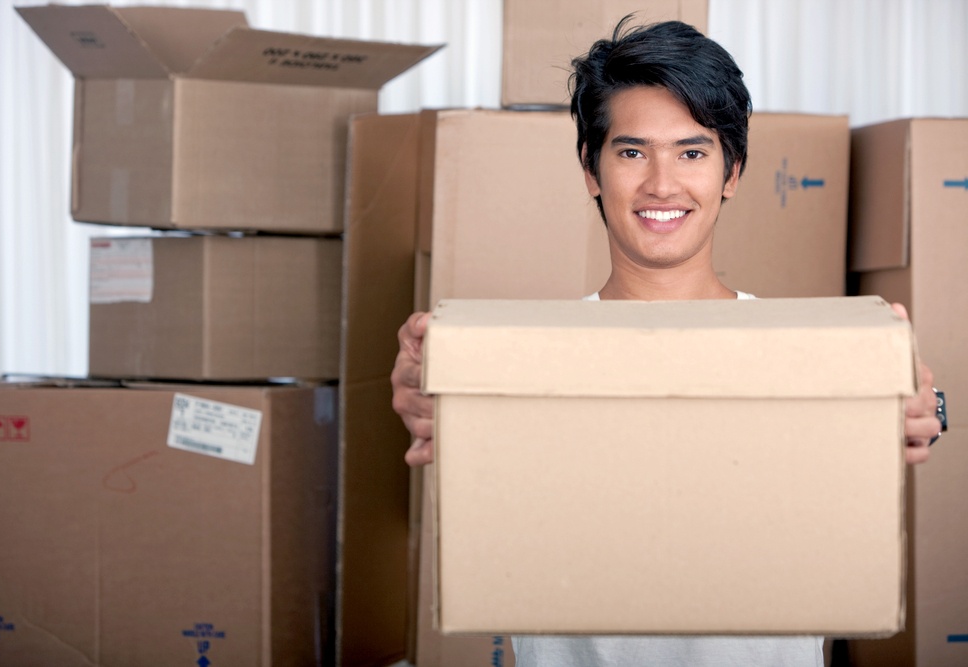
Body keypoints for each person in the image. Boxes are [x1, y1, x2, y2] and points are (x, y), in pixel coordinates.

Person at [391, 16, 941, 667]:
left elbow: (917, 414)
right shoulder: (528, 359)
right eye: (631, 152)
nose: (661, 183)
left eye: (692, 151)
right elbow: (451, 425)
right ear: (591, 170)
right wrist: (430, 391)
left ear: (731, 171)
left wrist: (930, 410)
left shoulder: (798, 352)